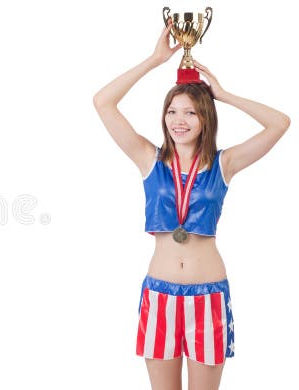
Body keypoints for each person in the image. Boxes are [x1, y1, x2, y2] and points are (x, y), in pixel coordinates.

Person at [93, 22, 290, 390]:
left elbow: (280, 123)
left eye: (190, 113)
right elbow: (102, 102)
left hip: (208, 294)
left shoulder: (223, 164)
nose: (178, 121)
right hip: (160, 294)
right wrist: (154, 60)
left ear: (205, 118)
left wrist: (225, 94)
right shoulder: (147, 158)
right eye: (172, 112)